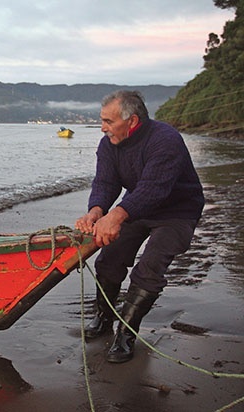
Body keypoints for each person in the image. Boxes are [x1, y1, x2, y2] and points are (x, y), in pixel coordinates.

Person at [75, 90, 204, 363]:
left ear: (132, 121)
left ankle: (126, 333)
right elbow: (106, 183)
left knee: (149, 268)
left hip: (177, 212)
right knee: (109, 259)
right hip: (136, 207)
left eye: (109, 121)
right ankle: (104, 318)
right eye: (102, 120)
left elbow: (154, 189)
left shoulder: (166, 140)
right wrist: (96, 211)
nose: (103, 127)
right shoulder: (108, 143)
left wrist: (118, 215)